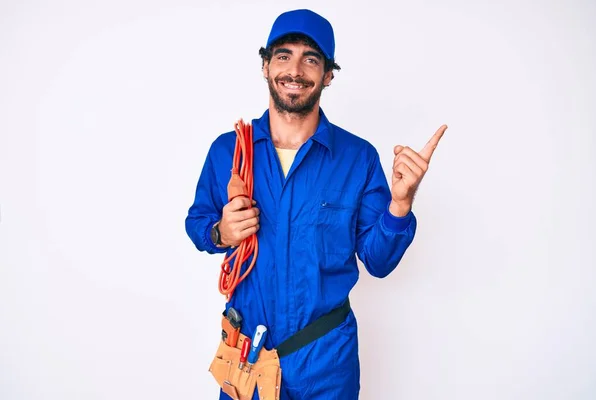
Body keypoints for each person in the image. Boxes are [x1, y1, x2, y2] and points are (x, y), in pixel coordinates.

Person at [185, 8, 447, 400]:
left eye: (311, 58)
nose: (295, 69)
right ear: (265, 65)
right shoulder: (228, 151)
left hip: (326, 362)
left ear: (327, 74)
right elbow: (197, 223)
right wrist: (219, 231)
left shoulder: (357, 159)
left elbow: (378, 261)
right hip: (247, 358)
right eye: (283, 55)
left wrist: (400, 203)